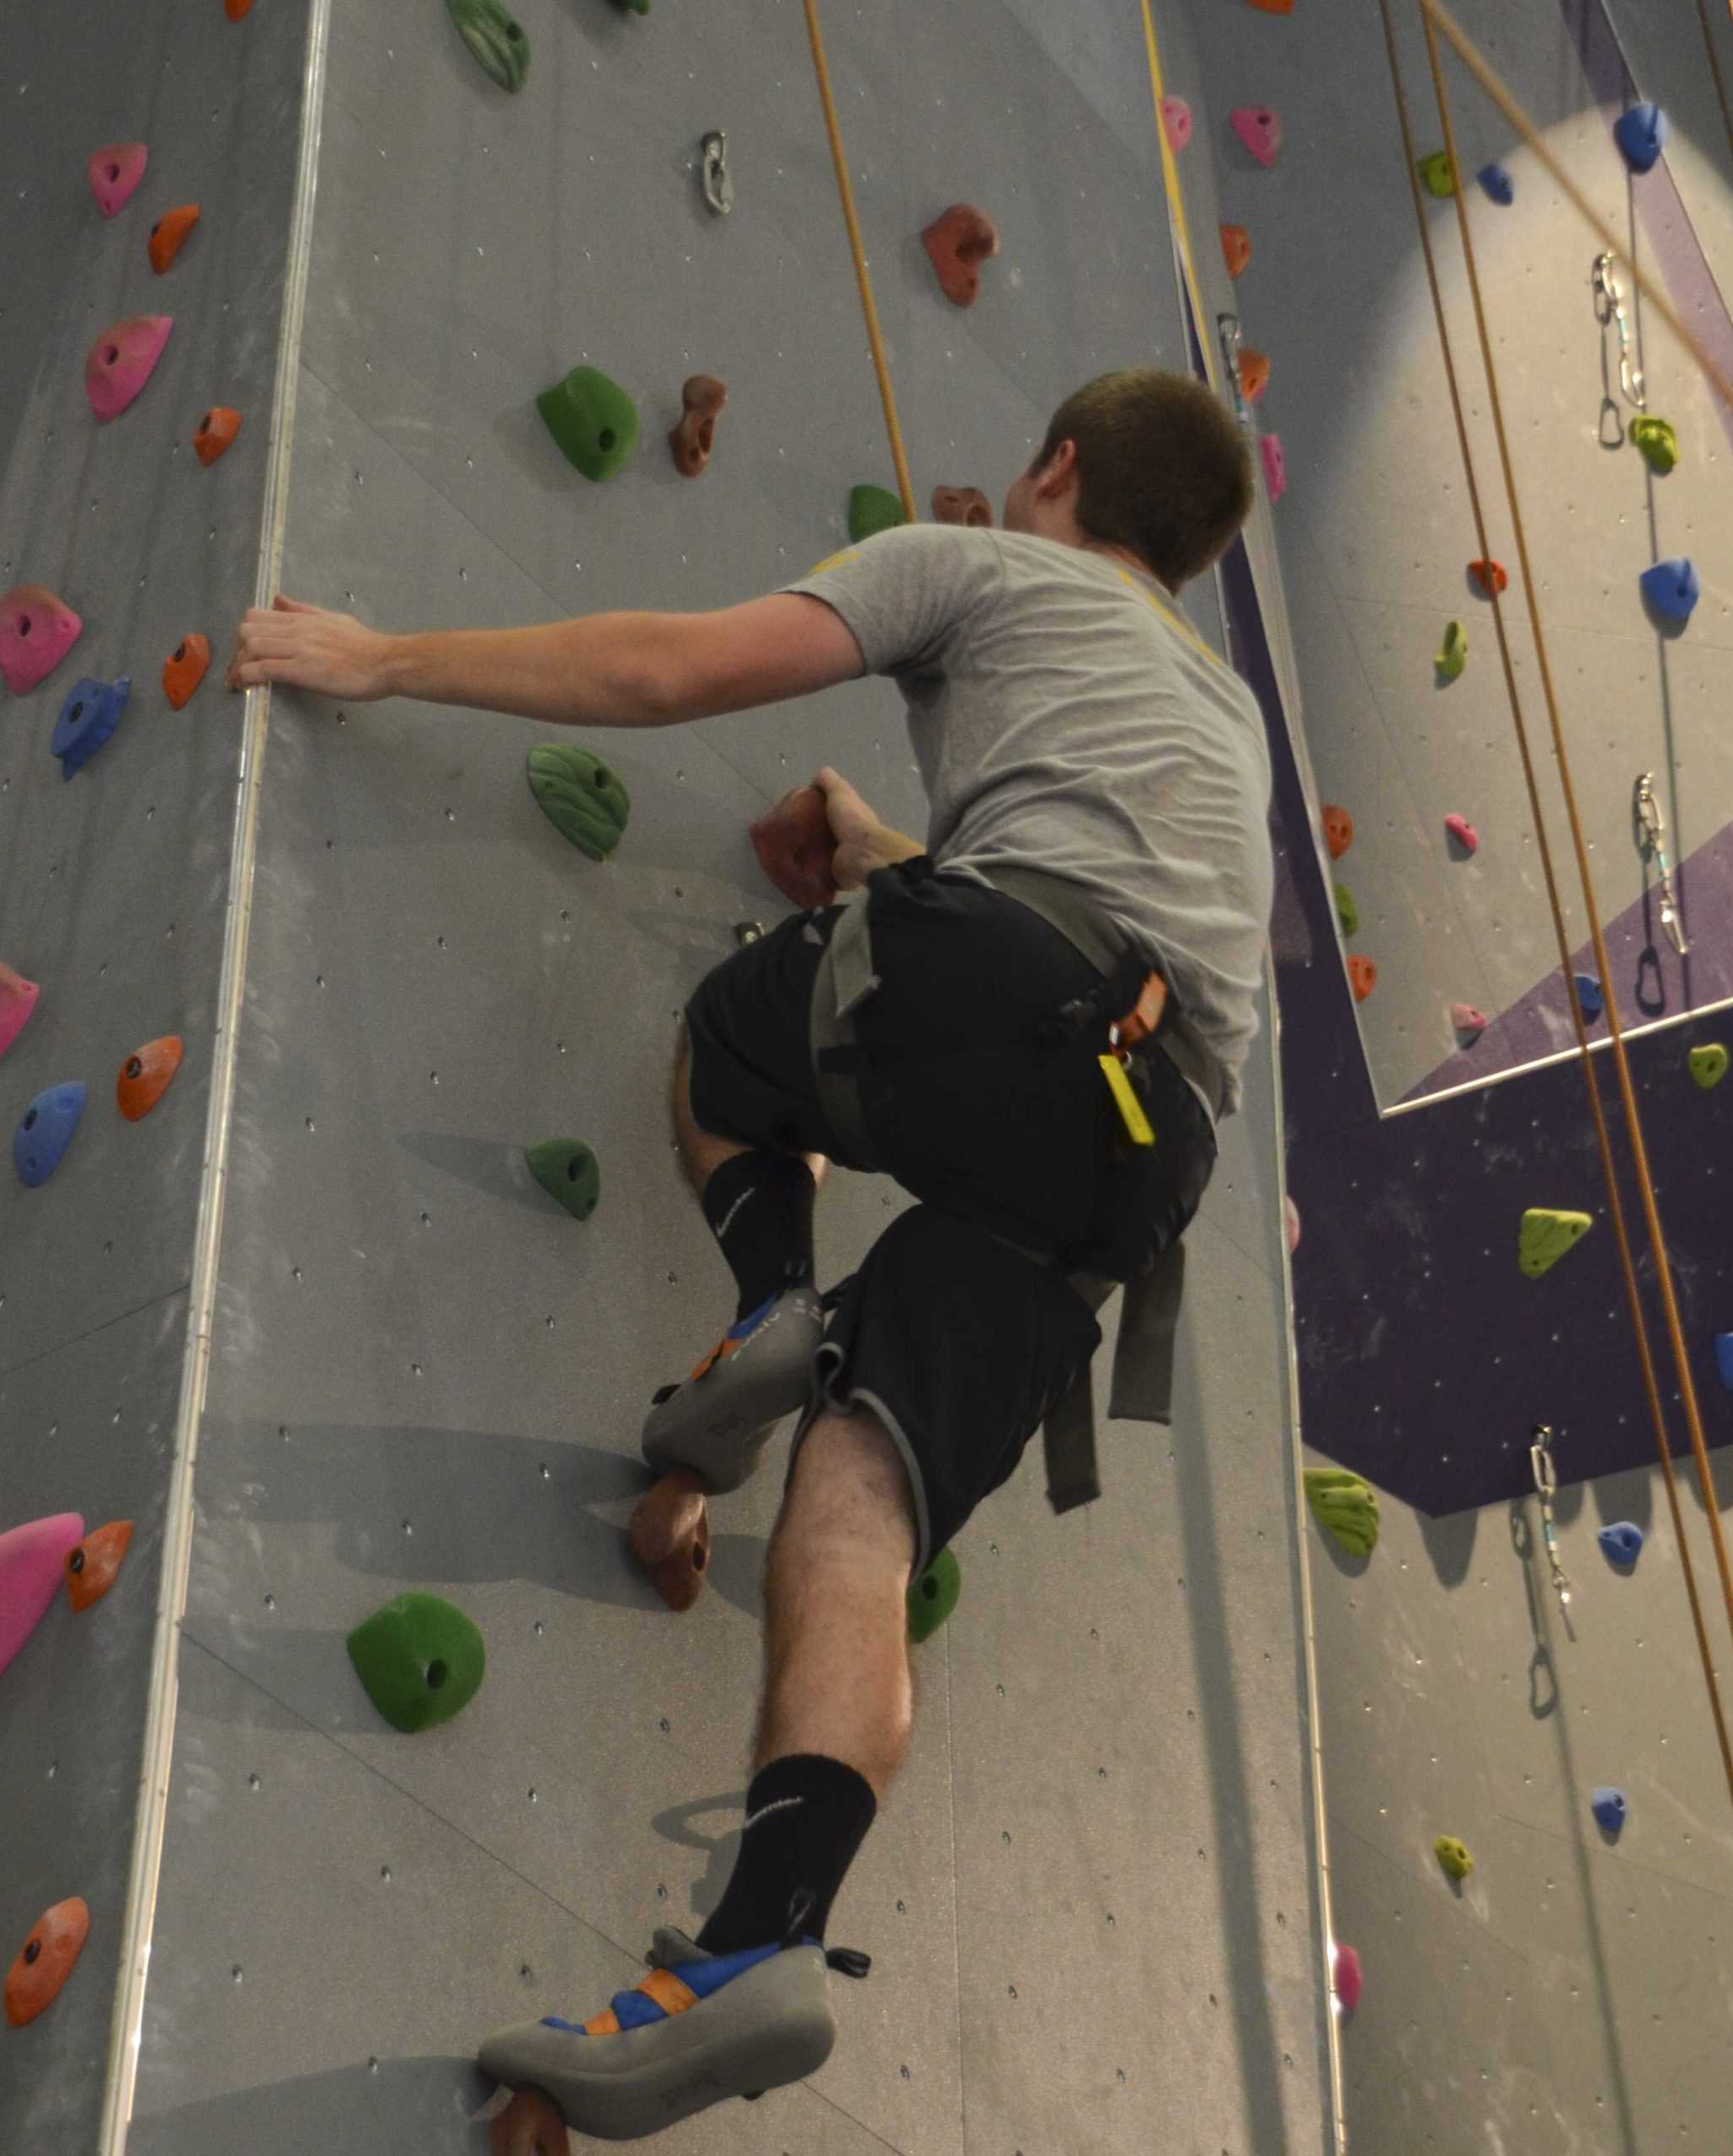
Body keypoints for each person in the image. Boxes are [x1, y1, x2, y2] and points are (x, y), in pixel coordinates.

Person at [227, 366, 1274, 2148]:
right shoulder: (1224, 721)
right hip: (1150, 1142)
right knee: (859, 1497)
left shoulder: (984, 566)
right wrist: (887, 855)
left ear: (1056, 467)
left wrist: (380, 654)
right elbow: (1099, 913)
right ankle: (760, 1939)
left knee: (726, 1046)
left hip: (1010, 983)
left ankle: (769, 1294)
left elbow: (662, 671)